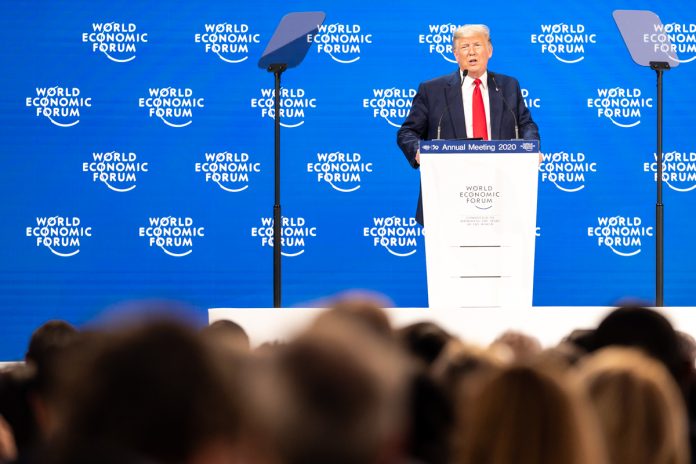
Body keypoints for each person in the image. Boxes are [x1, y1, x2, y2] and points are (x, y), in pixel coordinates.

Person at [397, 24, 540, 224]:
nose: (471, 52)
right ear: (456, 55)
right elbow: (407, 132)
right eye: (464, 47)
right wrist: (419, 152)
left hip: (500, 190)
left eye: (477, 45)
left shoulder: (508, 86)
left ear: (489, 50)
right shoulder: (432, 90)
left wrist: (531, 149)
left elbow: (526, 125)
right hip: (448, 192)